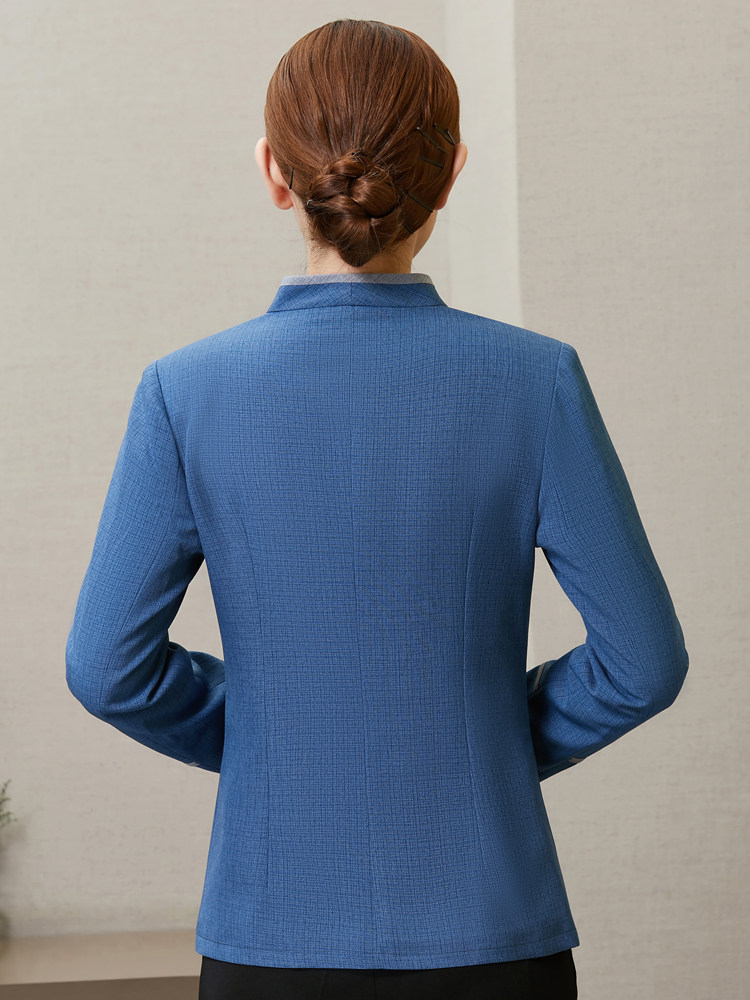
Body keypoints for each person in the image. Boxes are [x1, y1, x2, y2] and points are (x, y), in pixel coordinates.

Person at [65, 18, 689, 1000]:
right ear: (451, 176)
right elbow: (644, 663)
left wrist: (278, 742)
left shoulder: (184, 393)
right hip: (492, 939)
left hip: (270, 938)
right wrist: (481, 744)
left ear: (275, 174)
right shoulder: (536, 383)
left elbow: (106, 668)